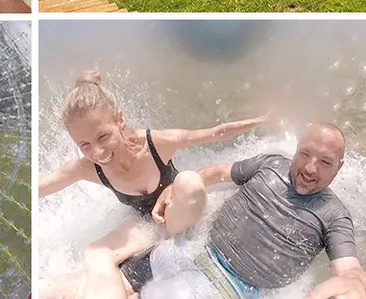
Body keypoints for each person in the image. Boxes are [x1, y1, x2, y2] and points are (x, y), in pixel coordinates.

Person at [37, 72, 274, 298]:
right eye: (84, 145)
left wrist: (263, 120)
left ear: (120, 119)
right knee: (96, 253)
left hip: (183, 212)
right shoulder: (88, 168)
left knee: (188, 182)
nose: (97, 152)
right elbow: (42, 187)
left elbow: (215, 133)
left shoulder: (154, 144)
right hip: (150, 228)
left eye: (103, 137)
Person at [92, 124, 365, 299]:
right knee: (104, 282)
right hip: (192, 249)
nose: (310, 168)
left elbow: (349, 271)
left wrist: (354, 285)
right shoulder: (271, 163)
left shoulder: (333, 215)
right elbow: (220, 172)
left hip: (226, 288)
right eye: (305, 154)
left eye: (325, 162)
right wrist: (172, 188)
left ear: (338, 167)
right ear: (296, 150)